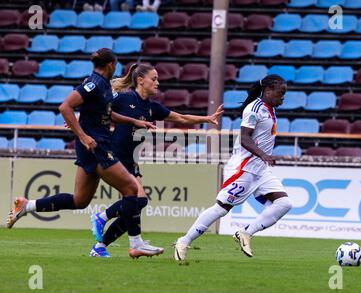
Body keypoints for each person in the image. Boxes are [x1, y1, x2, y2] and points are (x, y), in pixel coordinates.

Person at [6, 48, 164, 259]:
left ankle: (27, 206)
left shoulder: (104, 85)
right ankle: (135, 243)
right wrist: (81, 135)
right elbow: (65, 107)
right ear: (111, 65)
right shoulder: (95, 84)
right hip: (96, 146)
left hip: (93, 145)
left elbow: (106, 113)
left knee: (80, 200)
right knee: (130, 189)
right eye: (115, 65)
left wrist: (133, 121)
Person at [89, 63, 224, 257]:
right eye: (154, 79)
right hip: (116, 155)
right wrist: (78, 122)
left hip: (131, 159)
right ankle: (104, 220)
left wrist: (207, 118)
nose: (157, 83)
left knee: (138, 202)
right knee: (137, 199)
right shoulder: (124, 98)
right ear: (140, 80)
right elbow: (98, 107)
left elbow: (181, 118)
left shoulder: (152, 107)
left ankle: (100, 246)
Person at [173, 74, 293, 261]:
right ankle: (184, 241)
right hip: (243, 169)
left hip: (260, 170)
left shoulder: (269, 108)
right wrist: (263, 155)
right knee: (221, 208)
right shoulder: (253, 109)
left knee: (284, 203)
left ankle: (246, 232)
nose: (283, 97)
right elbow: (245, 137)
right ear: (268, 91)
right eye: (280, 93)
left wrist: (262, 159)